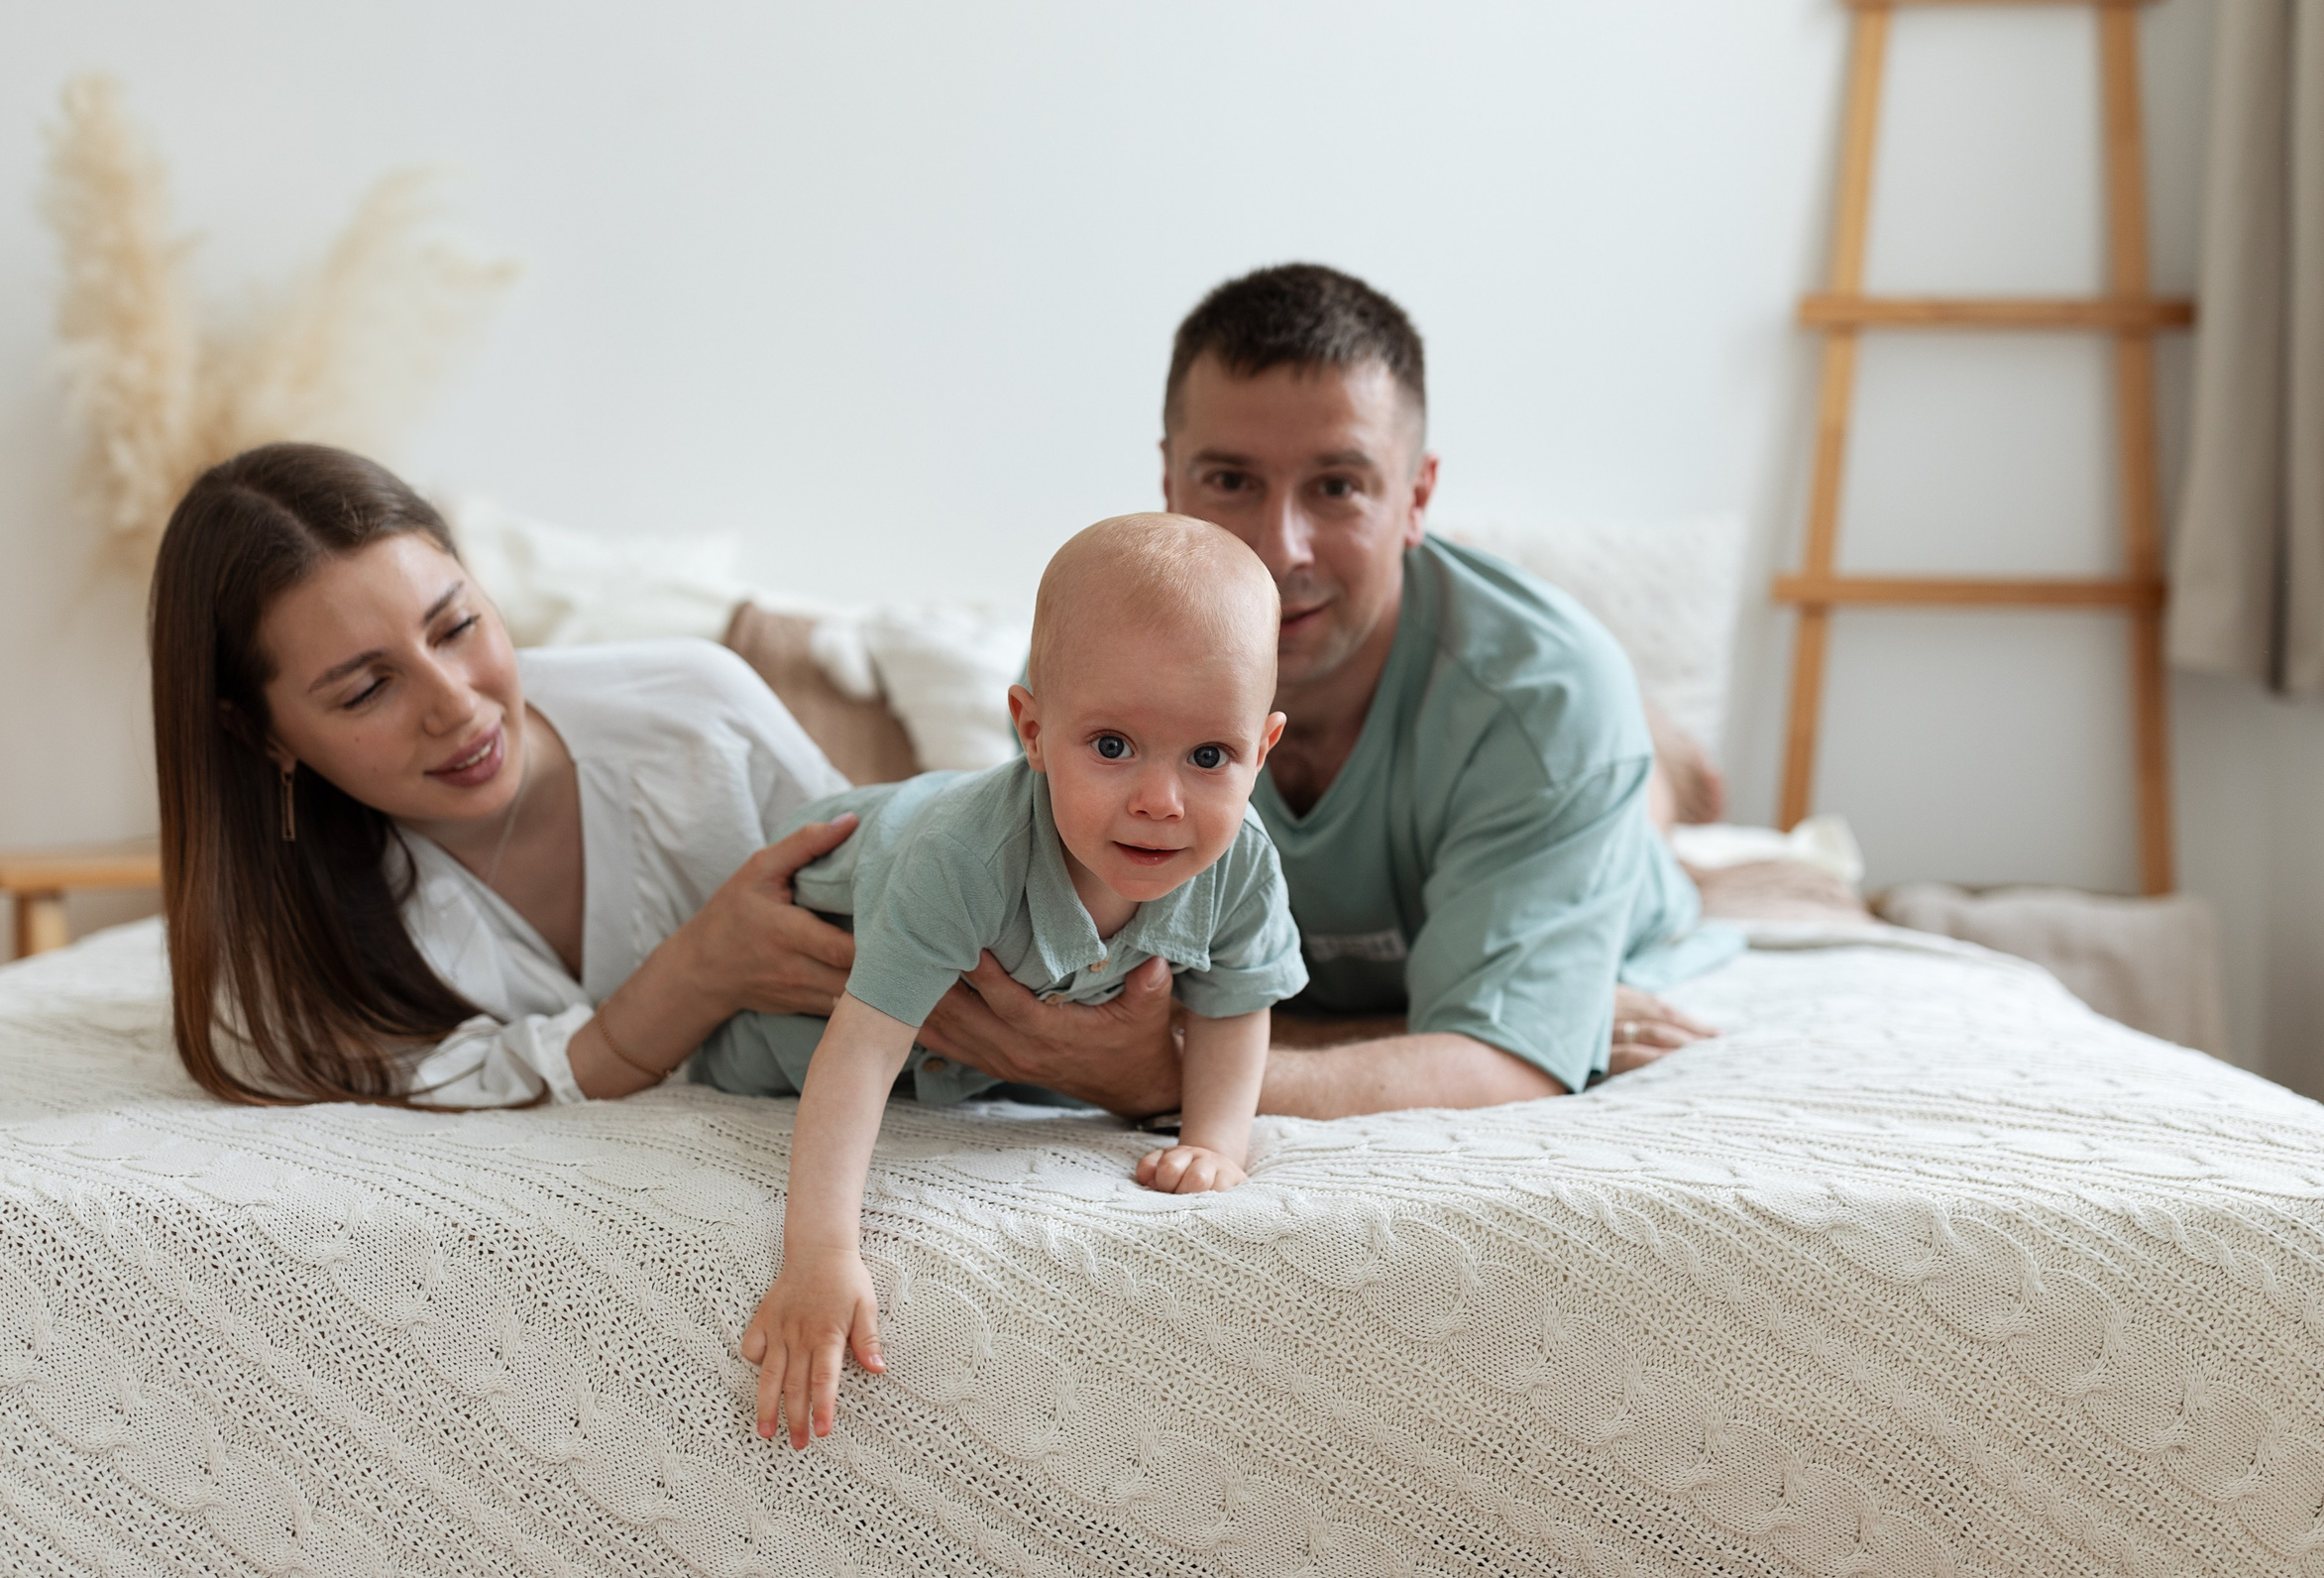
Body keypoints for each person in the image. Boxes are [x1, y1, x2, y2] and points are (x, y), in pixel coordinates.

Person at [911, 265, 1732, 1118]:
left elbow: (1508, 1061)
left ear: (1416, 497)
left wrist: (1158, 1075)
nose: (1281, 549)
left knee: (1596, 768)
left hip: (1584, 832)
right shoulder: (1091, 674)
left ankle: (1657, 774)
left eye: (1338, 487)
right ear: (1170, 482)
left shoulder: (1546, 703)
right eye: (1231, 482)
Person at [735, 513, 1304, 1447]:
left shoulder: (1241, 862)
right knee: (745, 1058)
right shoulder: (964, 857)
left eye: (1210, 757)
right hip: (817, 953)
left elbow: (1237, 1005)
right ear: (1032, 731)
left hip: (982, 1037)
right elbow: (861, 1048)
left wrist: (1214, 1143)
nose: (1161, 801)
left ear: (1262, 748)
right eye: (1112, 746)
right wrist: (821, 1256)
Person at [151, 442, 887, 1107]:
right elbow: (416, 1075)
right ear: (260, 734)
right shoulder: (278, 936)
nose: (455, 705)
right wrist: (697, 973)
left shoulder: (700, 715)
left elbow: (900, 900)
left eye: (456, 627)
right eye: (367, 690)